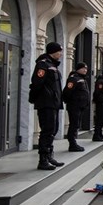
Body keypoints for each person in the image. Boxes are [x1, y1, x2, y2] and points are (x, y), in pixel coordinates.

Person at [30, 42, 65, 170]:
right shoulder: (43, 64)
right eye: (59, 51)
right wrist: (37, 99)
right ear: (53, 51)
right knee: (47, 130)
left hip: (53, 103)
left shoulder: (52, 65)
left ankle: (49, 155)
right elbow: (36, 84)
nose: (61, 54)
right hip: (46, 103)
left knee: (53, 130)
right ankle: (43, 159)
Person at [62, 62, 90, 152]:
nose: (85, 70)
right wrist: (71, 102)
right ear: (78, 69)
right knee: (74, 125)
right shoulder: (74, 79)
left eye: (86, 68)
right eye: (83, 68)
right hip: (74, 106)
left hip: (80, 106)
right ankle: (72, 143)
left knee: (76, 125)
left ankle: (74, 142)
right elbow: (67, 92)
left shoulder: (82, 79)